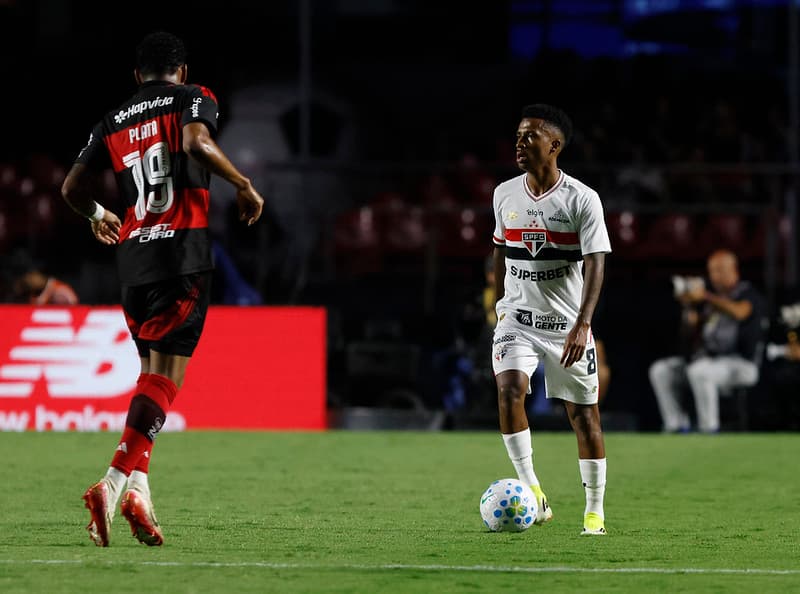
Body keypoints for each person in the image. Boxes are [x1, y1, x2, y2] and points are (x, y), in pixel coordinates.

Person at [61, 31, 264, 547]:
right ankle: (111, 483)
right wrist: (241, 184)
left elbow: (71, 189)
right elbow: (196, 141)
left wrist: (97, 214)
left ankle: (139, 492)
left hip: (133, 258)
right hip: (182, 253)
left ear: (137, 76)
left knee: (152, 377)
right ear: (182, 70)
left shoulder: (113, 119)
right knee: (167, 379)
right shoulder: (196, 96)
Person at [490, 104, 611, 536]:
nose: (520, 144)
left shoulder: (581, 199)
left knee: (584, 416)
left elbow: (596, 262)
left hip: (565, 325)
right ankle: (531, 490)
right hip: (517, 318)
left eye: (530, 137)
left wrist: (583, 323)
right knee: (509, 392)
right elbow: (500, 248)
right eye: (518, 136)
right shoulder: (504, 193)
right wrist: (496, 294)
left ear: (554, 145)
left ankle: (593, 512)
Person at [649, 249, 766, 433]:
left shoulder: (748, 293)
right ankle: (676, 425)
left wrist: (704, 296)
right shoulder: (710, 300)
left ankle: (708, 429)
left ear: (734, 270)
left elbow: (739, 312)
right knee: (662, 370)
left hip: (742, 364)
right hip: (707, 361)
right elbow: (688, 335)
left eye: (720, 270)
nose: (715, 276)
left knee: (700, 372)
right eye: (712, 271)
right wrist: (688, 308)